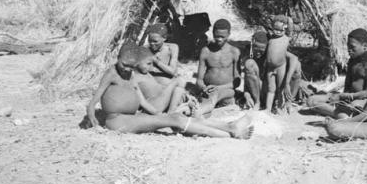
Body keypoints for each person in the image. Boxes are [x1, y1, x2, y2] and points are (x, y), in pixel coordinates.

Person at [86, 41, 254, 138]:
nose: (127, 70)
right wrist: (93, 121)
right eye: (124, 65)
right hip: (117, 121)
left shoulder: (131, 76)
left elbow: (144, 103)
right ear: (117, 59)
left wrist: (162, 116)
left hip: (131, 117)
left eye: (131, 67)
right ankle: (230, 132)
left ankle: (229, 127)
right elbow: (93, 101)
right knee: (175, 120)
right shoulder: (112, 73)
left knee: (174, 118)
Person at [306, 28, 367, 118]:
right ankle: (341, 114)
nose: (349, 50)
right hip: (346, 99)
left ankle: (343, 115)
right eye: (348, 46)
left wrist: (345, 96)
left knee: (355, 106)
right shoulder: (352, 60)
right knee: (311, 101)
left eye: (352, 47)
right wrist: (340, 97)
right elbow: (347, 84)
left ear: (364, 46)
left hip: (359, 101)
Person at [196, 19, 241, 115]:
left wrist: (218, 88)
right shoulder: (206, 51)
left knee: (213, 101)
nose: (219, 39)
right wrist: (204, 88)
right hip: (208, 91)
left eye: (222, 37)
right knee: (208, 101)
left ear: (229, 34)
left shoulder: (234, 52)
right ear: (212, 33)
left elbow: (237, 82)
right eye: (217, 36)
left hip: (226, 91)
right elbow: (199, 80)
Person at [133, 47, 191, 115]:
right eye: (148, 64)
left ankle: (173, 110)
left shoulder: (146, 73)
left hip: (161, 100)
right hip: (153, 106)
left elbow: (158, 87)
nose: (151, 66)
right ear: (136, 62)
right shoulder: (134, 77)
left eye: (151, 64)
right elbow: (141, 101)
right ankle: (172, 112)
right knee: (179, 81)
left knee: (178, 89)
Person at [264, 15, 301, 113]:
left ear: (285, 29)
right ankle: (268, 109)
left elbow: (291, 27)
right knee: (271, 89)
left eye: (281, 30)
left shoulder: (286, 38)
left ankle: (280, 107)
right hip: (270, 68)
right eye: (275, 29)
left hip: (281, 67)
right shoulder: (271, 39)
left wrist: (288, 19)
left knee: (281, 88)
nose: (278, 32)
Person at [145, 23, 185, 88]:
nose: (152, 44)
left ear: (164, 38)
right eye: (150, 41)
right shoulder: (146, 49)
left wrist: (155, 60)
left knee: (180, 83)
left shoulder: (172, 48)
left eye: (155, 41)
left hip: (166, 80)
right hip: (149, 79)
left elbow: (172, 71)